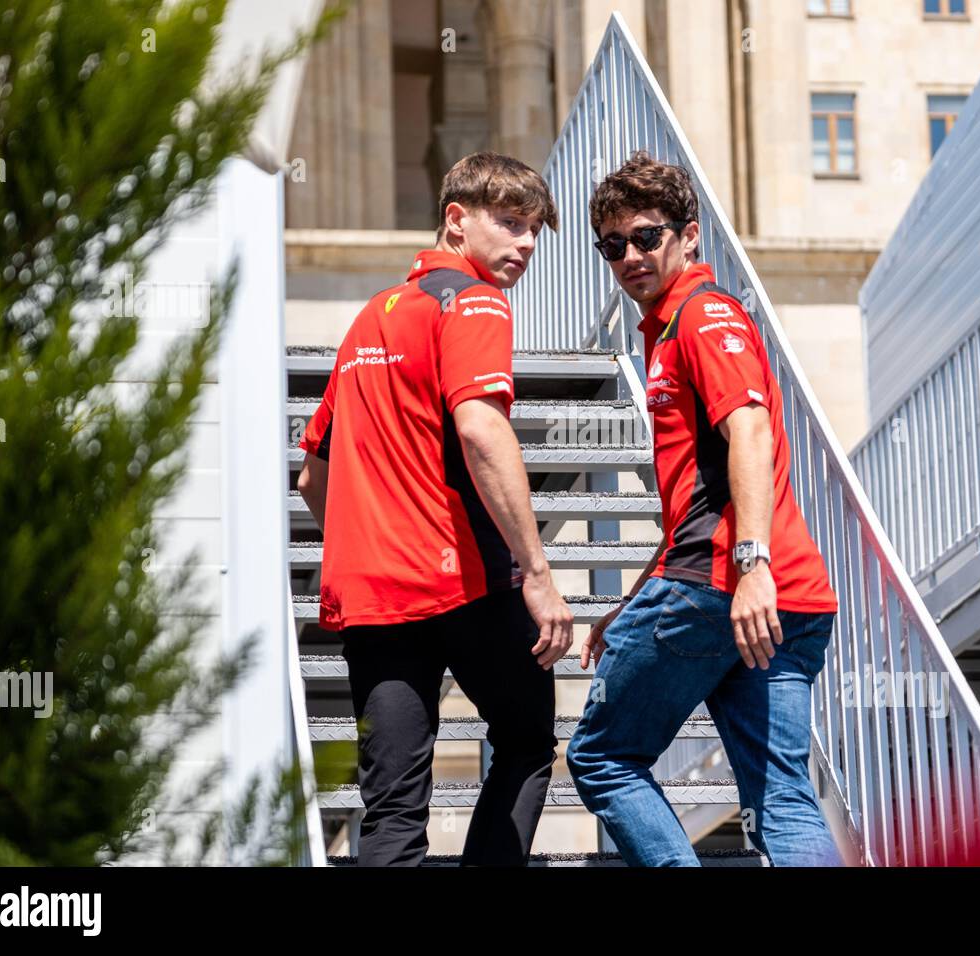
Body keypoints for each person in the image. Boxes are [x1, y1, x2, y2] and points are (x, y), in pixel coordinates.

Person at [566, 151, 843, 866]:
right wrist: (633, 600)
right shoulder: (668, 327)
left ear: (690, 237)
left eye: (646, 237)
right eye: (612, 245)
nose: (629, 256)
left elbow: (746, 429)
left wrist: (751, 566)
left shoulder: (703, 314)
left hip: (728, 587)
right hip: (779, 596)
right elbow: (699, 492)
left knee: (602, 755)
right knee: (782, 800)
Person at [297, 152, 573, 866]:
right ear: (456, 220)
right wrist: (537, 572)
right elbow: (483, 429)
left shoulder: (368, 321)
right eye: (510, 223)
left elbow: (310, 479)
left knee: (391, 809)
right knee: (525, 740)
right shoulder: (474, 301)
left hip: (373, 600)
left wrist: (367, 546)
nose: (527, 244)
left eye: (535, 229)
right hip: (461, 583)